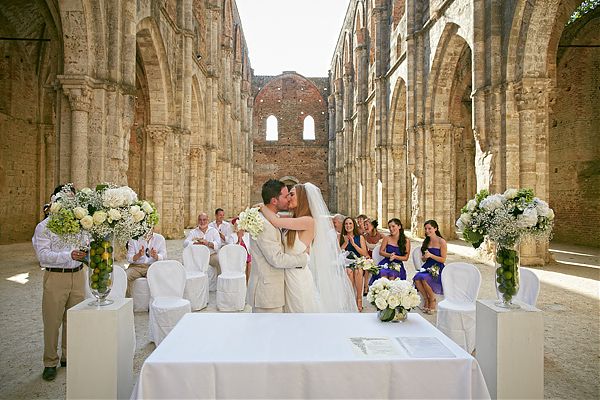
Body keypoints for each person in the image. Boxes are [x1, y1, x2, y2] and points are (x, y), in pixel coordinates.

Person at [261, 182, 358, 313]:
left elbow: (276, 221)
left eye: (292, 194)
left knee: (299, 313)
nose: (289, 197)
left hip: (297, 276)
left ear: (302, 198)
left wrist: (261, 207)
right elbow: (277, 218)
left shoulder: (308, 221)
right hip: (287, 274)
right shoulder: (296, 219)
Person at [32, 184, 86, 382]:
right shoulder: (44, 226)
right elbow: (43, 256)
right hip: (56, 277)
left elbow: (85, 243)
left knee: (74, 319)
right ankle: (49, 362)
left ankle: (68, 357)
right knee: (52, 322)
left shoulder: (80, 223)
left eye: (72, 198)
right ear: (55, 199)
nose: (69, 202)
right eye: (64, 198)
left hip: (78, 275)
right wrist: (68, 255)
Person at [247, 179, 309, 313]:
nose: (289, 199)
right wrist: (303, 259)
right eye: (286, 196)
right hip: (267, 292)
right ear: (274, 201)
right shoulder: (264, 224)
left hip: (282, 286)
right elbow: (276, 259)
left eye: (290, 195)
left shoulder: (271, 219)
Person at [413, 219, 447, 314]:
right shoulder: (426, 241)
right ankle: (426, 299)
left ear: (435, 228)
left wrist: (431, 255)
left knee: (424, 278)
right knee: (417, 278)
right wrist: (424, 257)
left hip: (437, 267)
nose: (427, 231)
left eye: (429, 228)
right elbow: (424, 259)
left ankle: (432, 300)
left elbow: (443, 259)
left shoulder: (442, 241)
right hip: (427, 265)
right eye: (425, 229)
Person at [125, 228, 167, 297]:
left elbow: (164, 256)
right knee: (126, 276)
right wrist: (138, 255)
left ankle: (156, 299)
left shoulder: (160, 238)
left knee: (155, 277)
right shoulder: (133, 239)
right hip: (136, 267)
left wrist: (156, 256)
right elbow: (129, 258)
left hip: (152, 266)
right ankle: (129, 300)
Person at [339, 217, 369, 311]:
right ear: (344, 226)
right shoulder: (341, 237)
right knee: (349, 271)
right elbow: (337, 253)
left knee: (358, 271)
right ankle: (350, 300)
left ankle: (359, 299)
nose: (348, 226)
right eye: (346, 224)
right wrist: (345, 243)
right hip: (345, 262)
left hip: (357, 261)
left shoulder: (360, 237)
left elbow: (365, 253)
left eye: (350, 223)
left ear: (354, 225)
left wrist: (354, 244)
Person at [372, 218, 410, 283]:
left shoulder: (406, 241)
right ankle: (383, 288)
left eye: (393, 226)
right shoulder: (387, 238)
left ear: (399, 226)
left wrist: (395, 257)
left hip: (398, 265)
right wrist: (390, 255)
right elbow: (381, 252)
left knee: (393, 275)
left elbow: (406, 258)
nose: (391, 229)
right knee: (383, 273)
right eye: (389, 227)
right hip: (386, 263)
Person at [227, 217, 252, 284]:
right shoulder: (232, 236)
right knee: (244, 264)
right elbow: (231, 249)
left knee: (250, 264)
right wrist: (239, 240)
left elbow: (250, 247)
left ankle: (248, 283)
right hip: (238, 256)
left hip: (247, 255)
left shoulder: (247, 235)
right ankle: (242, 283)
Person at [363, 219, 383, 294]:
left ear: (373, 226)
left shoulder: (381, 236)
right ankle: (366, 287)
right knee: (367, 266)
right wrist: (368, 256)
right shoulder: (364, 236)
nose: (365, 227)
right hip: (368, 255)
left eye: (367, 225)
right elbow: (365, 250)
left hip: (379, 256)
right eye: (364, 225)